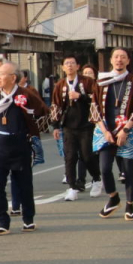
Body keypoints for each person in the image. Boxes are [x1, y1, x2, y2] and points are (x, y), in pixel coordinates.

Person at [0, 62, 49, 235]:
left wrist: (31, 120)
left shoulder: (27, 95)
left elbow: (44, 115)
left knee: (24, 185)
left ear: (13, 78)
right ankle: (2, 221)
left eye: (1, 74)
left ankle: (28, 219)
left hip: (20, 145)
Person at [92, 49, 133, 221]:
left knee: (128, 169)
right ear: (111, 60)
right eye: (116, 57)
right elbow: (94, 109)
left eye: (123, 57)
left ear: (128, 61)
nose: (119, 60)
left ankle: (130, 205)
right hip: (105, 130)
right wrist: (105, 131)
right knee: (105, 168)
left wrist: (125, 130)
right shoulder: (101, 82)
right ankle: (113, 197)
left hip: (127, 130)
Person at [50, 54, 101, 202]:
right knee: (70, 157)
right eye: (67, 63)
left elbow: (97, 99)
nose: (70, 66)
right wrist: (55, 125)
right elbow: (56, 105)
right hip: (68, 126)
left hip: (86, 125)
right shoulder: (60, 85)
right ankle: (72, 187)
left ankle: (96, 179)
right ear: (63, 67)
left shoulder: (87, 82)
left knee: (87, 155)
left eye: (72, 63)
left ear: (78, 66)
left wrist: (81, 96)